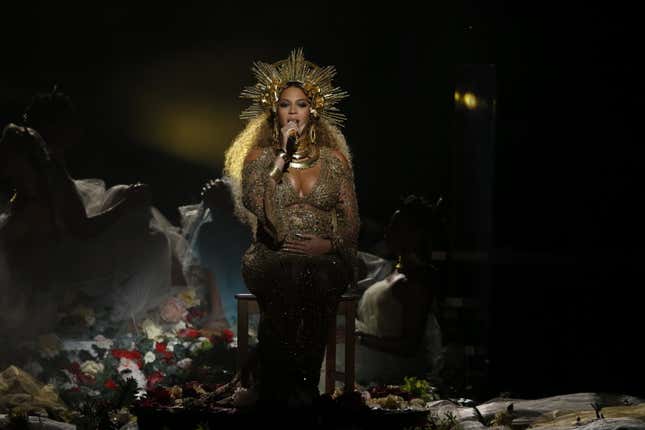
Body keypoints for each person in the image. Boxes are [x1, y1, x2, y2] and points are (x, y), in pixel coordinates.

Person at [220, 48, 360, 407]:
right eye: (285, 104)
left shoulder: (334, 160)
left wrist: (326, 245)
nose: (293, 111)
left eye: (300, 104)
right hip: (272, 255)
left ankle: (295, 383)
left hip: (324, 256)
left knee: (314, 274)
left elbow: (351, 220)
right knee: (290, 273)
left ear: (313, 109)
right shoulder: (260, 158)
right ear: (275, 110)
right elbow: (257, 205)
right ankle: (286, 388)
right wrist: (281, 157)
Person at [336, 195, 444, 386]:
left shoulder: (416, 279)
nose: (387, 232)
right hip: (372, 360)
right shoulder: (394, 269)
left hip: (393, 368)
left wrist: (358, 338)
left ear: (414, 234)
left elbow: (410, 346)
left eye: (396, 227)